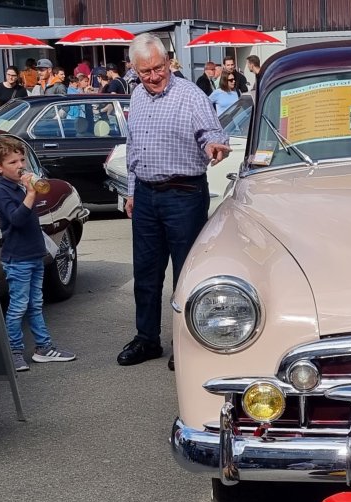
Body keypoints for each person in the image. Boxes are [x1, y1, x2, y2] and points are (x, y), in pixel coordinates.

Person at [115, 34, 230, 368]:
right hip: (146, 195)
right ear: (134, 70)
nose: (154, 76)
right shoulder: (137, 95)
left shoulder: (191, 95)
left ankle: (186, 343)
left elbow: (212, 133)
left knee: (186, 274)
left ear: (168, 61)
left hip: (184, 194)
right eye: (145, 71)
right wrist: (132, 192)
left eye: (158, 68)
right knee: (146, 274)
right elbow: (134, 147)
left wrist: (214, 146)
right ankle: (146, 339)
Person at [0, 135, 77, 372]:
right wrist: (30, 194)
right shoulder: (1, 191)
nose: (20, 166)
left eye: (21, 160)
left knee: (36, 303)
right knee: (18, 306)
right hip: (17, 259)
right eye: (13, 162)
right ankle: (13, 351)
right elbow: (16, 220)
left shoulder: (19, 187)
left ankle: (43, 348)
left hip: (33, 255)